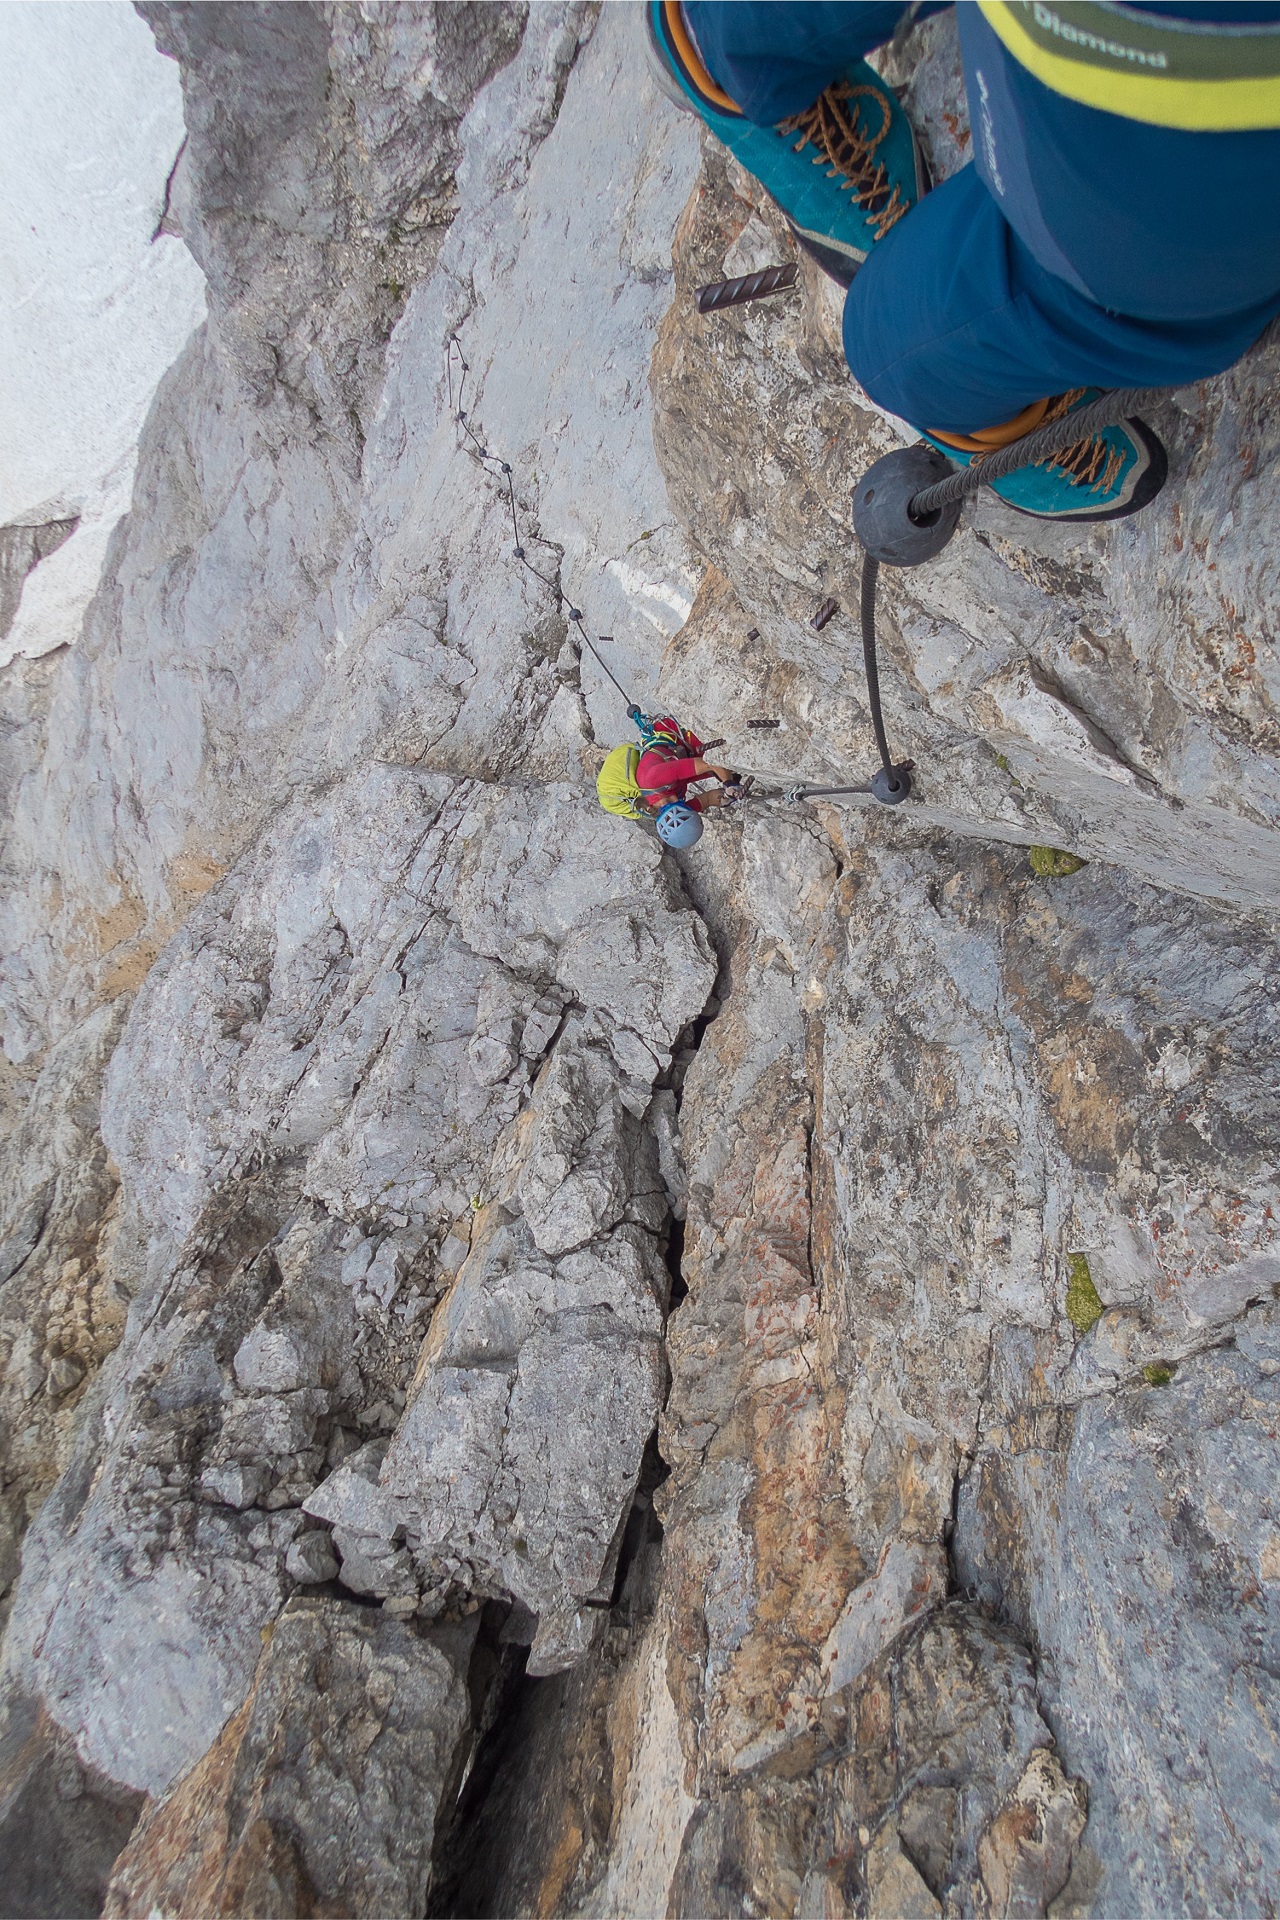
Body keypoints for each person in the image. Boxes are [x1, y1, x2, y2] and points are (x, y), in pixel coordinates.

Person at [646, 1, 1280, 522]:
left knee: (888, 343)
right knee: (890, 345)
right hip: (1157, 195)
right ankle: (973, 402)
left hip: (1145, 180)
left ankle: (718, 33)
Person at [596, 712, 742, 846]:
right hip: (679, 765)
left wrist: (728, 782)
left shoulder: (654, 779)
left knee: (723, 751)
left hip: (671, 735)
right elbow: (707, 800)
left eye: (671, 801)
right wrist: (726, 797)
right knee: (728, 769)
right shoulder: (677, 813)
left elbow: (711, 763)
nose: (675, 799)